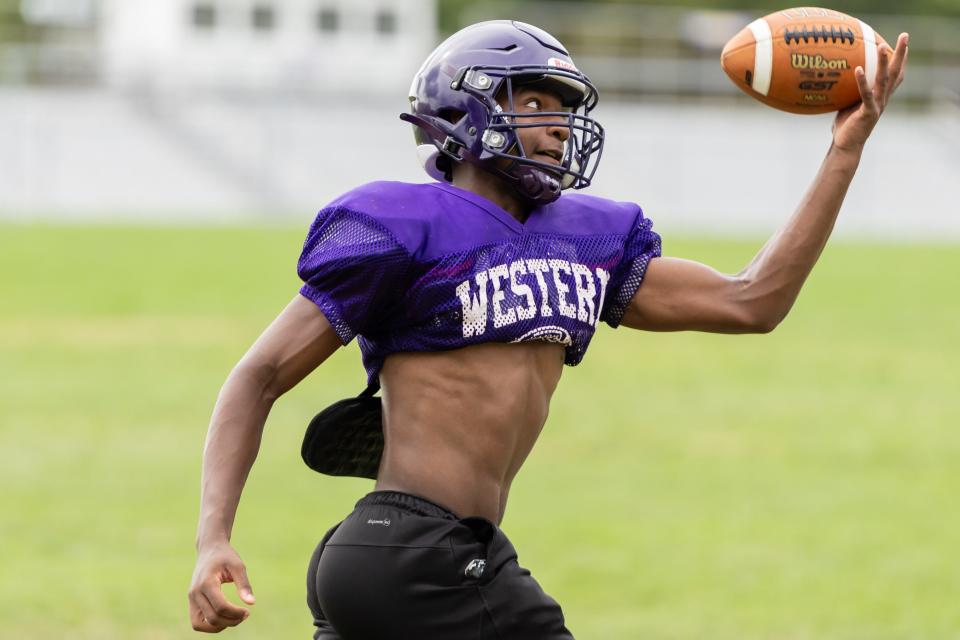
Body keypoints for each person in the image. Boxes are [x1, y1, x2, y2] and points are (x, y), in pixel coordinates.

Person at [188, 19, 909, 639]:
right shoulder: (403, 222)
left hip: (426, 555)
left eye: (565, 107)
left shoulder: (589, 236)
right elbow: (259, 376)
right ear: (461, 114)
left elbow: (753, 302)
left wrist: (845, 150)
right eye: (531, 100)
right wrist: (213, 535)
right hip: (414, 550)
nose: (557, 122)